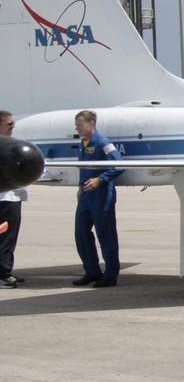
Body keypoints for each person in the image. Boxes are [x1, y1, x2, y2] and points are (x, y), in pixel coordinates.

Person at [71, 110, 123, 288]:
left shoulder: (103, 143)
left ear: (91, 123)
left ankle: (110, 275)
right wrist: (80, 188)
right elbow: (83, 168)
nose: (76, 127)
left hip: (101, 195)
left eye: (79, 123)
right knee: (81, 232)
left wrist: (100, 179)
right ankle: (91, 271)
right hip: (86, 195)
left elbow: (119, 165)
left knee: (106, 234)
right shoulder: (82, 143)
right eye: (76, 124)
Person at [0, 109, 27, 289]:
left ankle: (6, 271)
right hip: (3, 198)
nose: (12, 128)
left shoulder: (10, 144)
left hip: (13, 196)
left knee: (10, 238)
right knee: (3, 238)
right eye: (9, 124)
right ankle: (2, 275)